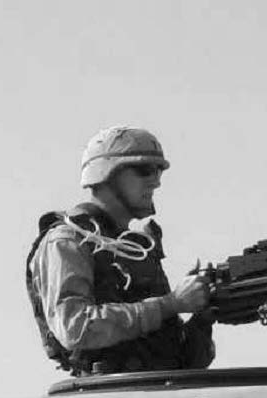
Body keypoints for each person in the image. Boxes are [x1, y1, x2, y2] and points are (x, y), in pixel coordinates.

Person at [27, 125, 214, 375]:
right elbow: (76, 327)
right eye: (144, 170)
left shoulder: (134, 248)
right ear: (106, 173)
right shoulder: (69, 240)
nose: (156, 181)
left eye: (158, 170)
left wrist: (204, 316)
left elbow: (177, 358)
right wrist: (170, 304)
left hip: (155, 390)